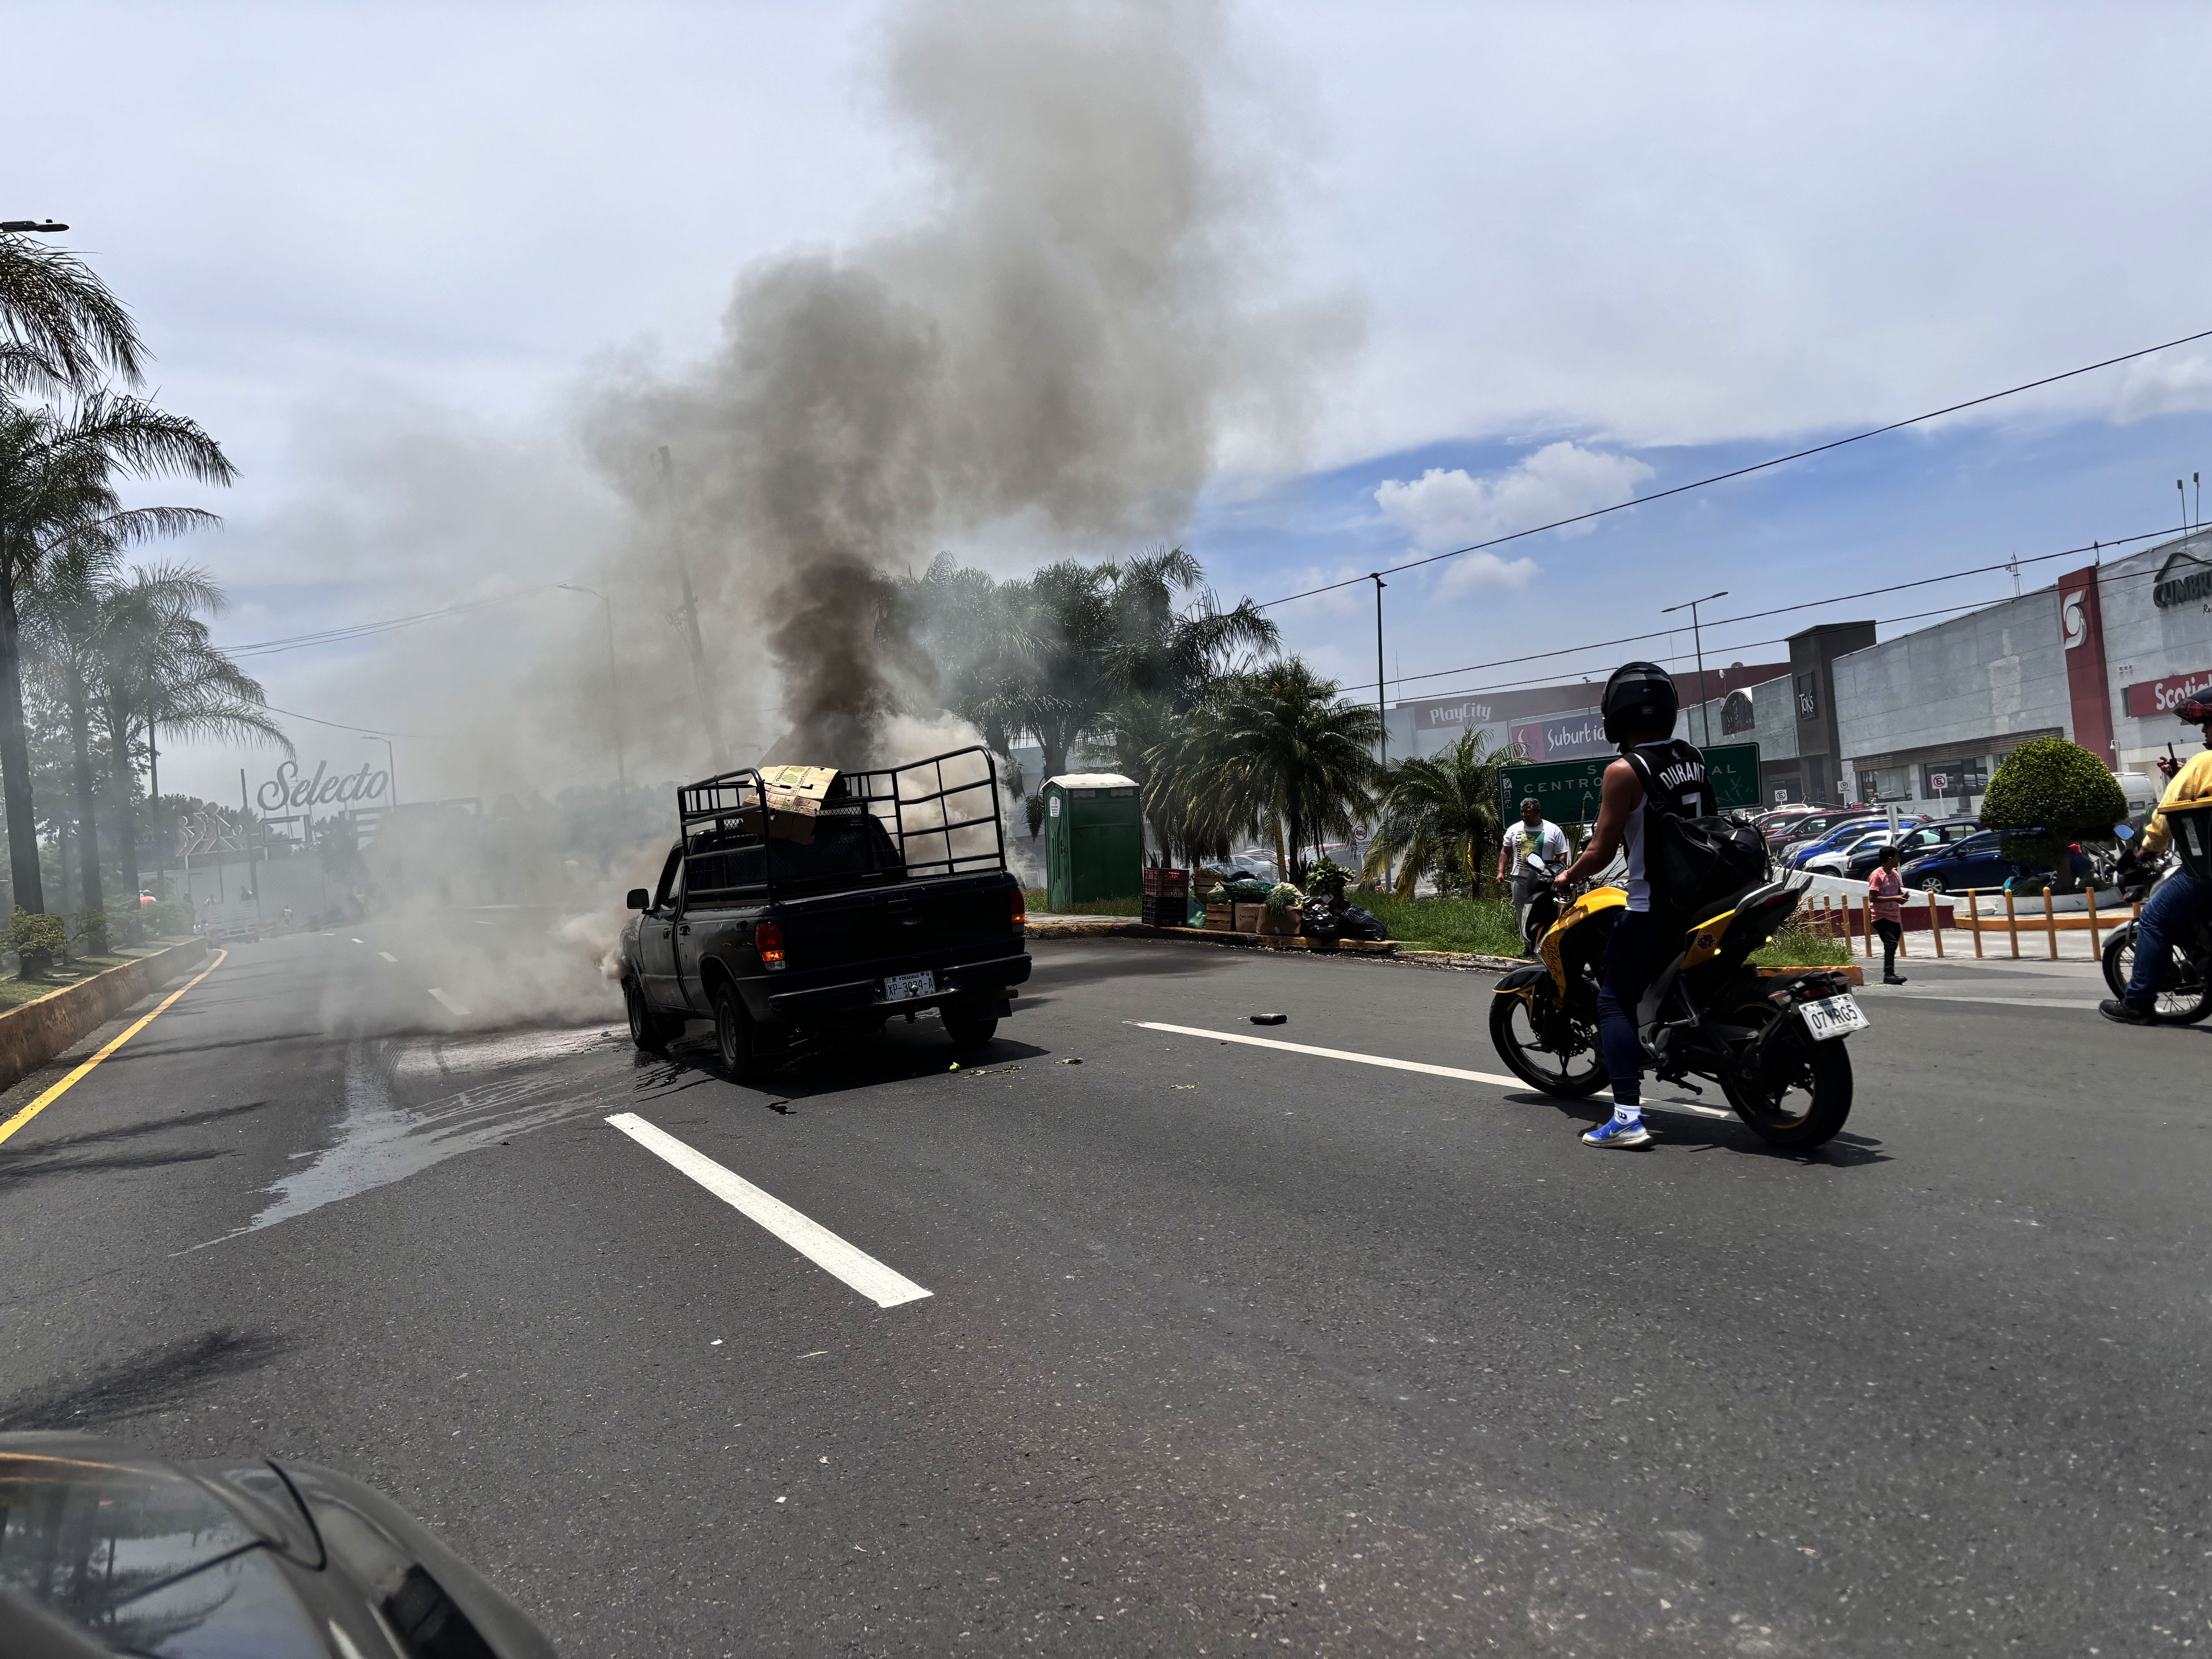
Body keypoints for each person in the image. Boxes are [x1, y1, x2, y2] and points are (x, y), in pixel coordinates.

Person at [1551, 661, 1713, 1148]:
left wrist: (1567, 874)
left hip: (1654, 906)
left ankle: (1626, 1117)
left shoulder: (1625, 771)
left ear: (1615, 716)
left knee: (1612, 1000)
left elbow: (1600, 852)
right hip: (1702, 898)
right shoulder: (1693, 758)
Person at [2101, 696, 2212, 1024]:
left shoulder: (2203, 763)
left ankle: (2137, 1005)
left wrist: (2148, 849)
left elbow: (2166, 817)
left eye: (2208, 723)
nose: (2205, 730)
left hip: (2205, 872)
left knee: (2154, 920)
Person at [1497, 797, 1569, 950]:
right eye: (1522, 812)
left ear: (1538, 812)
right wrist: (1501, 872)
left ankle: (1545, 946)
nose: (1525, 815)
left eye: (1528, 812)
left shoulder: (1553, 830)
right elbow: (1506, 852)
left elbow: (1562, 855)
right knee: (1522, 912)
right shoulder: (1513, 829)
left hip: (1544, 879)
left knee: (1545, 911)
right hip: (1520, 878)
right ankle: (1528, 947)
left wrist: (1559, 875)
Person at [1867, 845, 1907, 985]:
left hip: (1894, 915)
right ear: (1891, 859)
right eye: (1897, 857)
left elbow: (1897, 892)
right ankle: (1889, 975)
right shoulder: (1877, 875)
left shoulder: (1895, 874)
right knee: (1890, 943)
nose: (1899, 859)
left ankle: (1890, 974)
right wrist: (1894, 899)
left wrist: (1902, 897)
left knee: (1893, 944)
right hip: (1880, 916)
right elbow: (1872, 898)